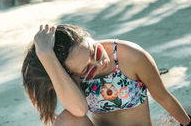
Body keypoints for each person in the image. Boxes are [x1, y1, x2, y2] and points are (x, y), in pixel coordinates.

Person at [21, 24, 191, 126]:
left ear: (87, 36)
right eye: (87, 68)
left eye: (93, 51)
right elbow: (79, 110)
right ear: (71, 73)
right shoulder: (73, 76)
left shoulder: (131, 55)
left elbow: (163, 97)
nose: (98, 63)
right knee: (67, 120)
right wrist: (46, 56)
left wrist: (187, 123)